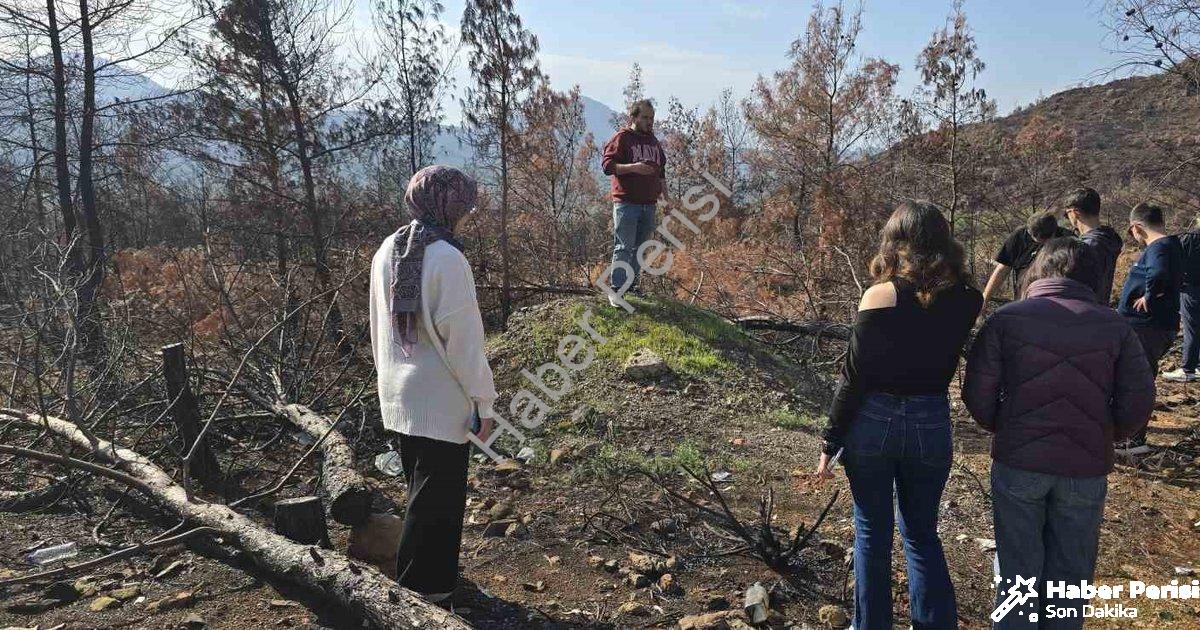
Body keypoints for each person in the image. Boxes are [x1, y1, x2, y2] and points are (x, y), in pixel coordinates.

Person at [964, 237, 1154, 630]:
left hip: (1019, 461)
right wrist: (1104, 433)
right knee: (1071, 573)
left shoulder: (1007, 319)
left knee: (1017, 572)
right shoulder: (1114, 326)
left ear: (1039, 270)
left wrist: (1004, 424)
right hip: (1084, 467)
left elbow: (977, 392)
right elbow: (1138, 400)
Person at [817, 200, 981, 630]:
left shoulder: (880, 295)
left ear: (897, 243)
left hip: (873, 420)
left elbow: (854, 376)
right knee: (922, 533)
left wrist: (830, 440)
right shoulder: (968, 298)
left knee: (872, 532)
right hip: (931, 419)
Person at [368, 165, 498, 602]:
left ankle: (423, 586)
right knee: (437, 504)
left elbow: (377, 324)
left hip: (398, 390)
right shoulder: (447, 258)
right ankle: (425, 595)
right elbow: (463, 341)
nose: (467, 213)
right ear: (452, 205)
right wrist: (484, 400)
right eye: (465, 205)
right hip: (440, 399)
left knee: (419, 494)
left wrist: (387, 380)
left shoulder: (388, 248)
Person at [1116, 202, 1183, 455]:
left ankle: (1132, 441)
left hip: (1146, 327)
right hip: (1154, 326)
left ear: (1137, 228)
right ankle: (1130, 437)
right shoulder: (1172, 246)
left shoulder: (1159, 248)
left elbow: (1157, 273)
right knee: (1139, 378)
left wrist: (1149, 297)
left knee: (1136, 380)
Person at [601, 99, 667, 306]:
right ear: (634, 117)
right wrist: (634, 167)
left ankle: (632, 286)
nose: (649, 122)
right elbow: (608, 166)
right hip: (627, 203)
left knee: (640, 248)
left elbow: (661, 172)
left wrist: (666, 198)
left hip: (649, 203)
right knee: (623, 246)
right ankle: (616, 290)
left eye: (652, 118)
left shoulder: (653, 142)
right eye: (645, 117)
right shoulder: (622, 138)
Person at [980, 211, 1071, 310]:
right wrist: (985, 299)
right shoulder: (1019, 236)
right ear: (1028, 231)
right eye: (1036, 239)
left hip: (1056, 302)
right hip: (1023, 300)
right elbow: (1002, 269)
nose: (1041, 243)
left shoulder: (1068, 241)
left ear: (1054, 232)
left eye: (1045, 240)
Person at [1061, 187, 1123, 304]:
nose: (1067, 218)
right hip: (1101, 306)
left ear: (1075, 213)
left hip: (1082, 309)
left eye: (1067, 214)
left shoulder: (1085, 247)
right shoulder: (1110, 238)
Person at [1163, 219, 1200, 382]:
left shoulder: (1190, 238)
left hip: (1191, 289)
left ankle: (1188, 369)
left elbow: (1176, 262)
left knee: (1191, 329)